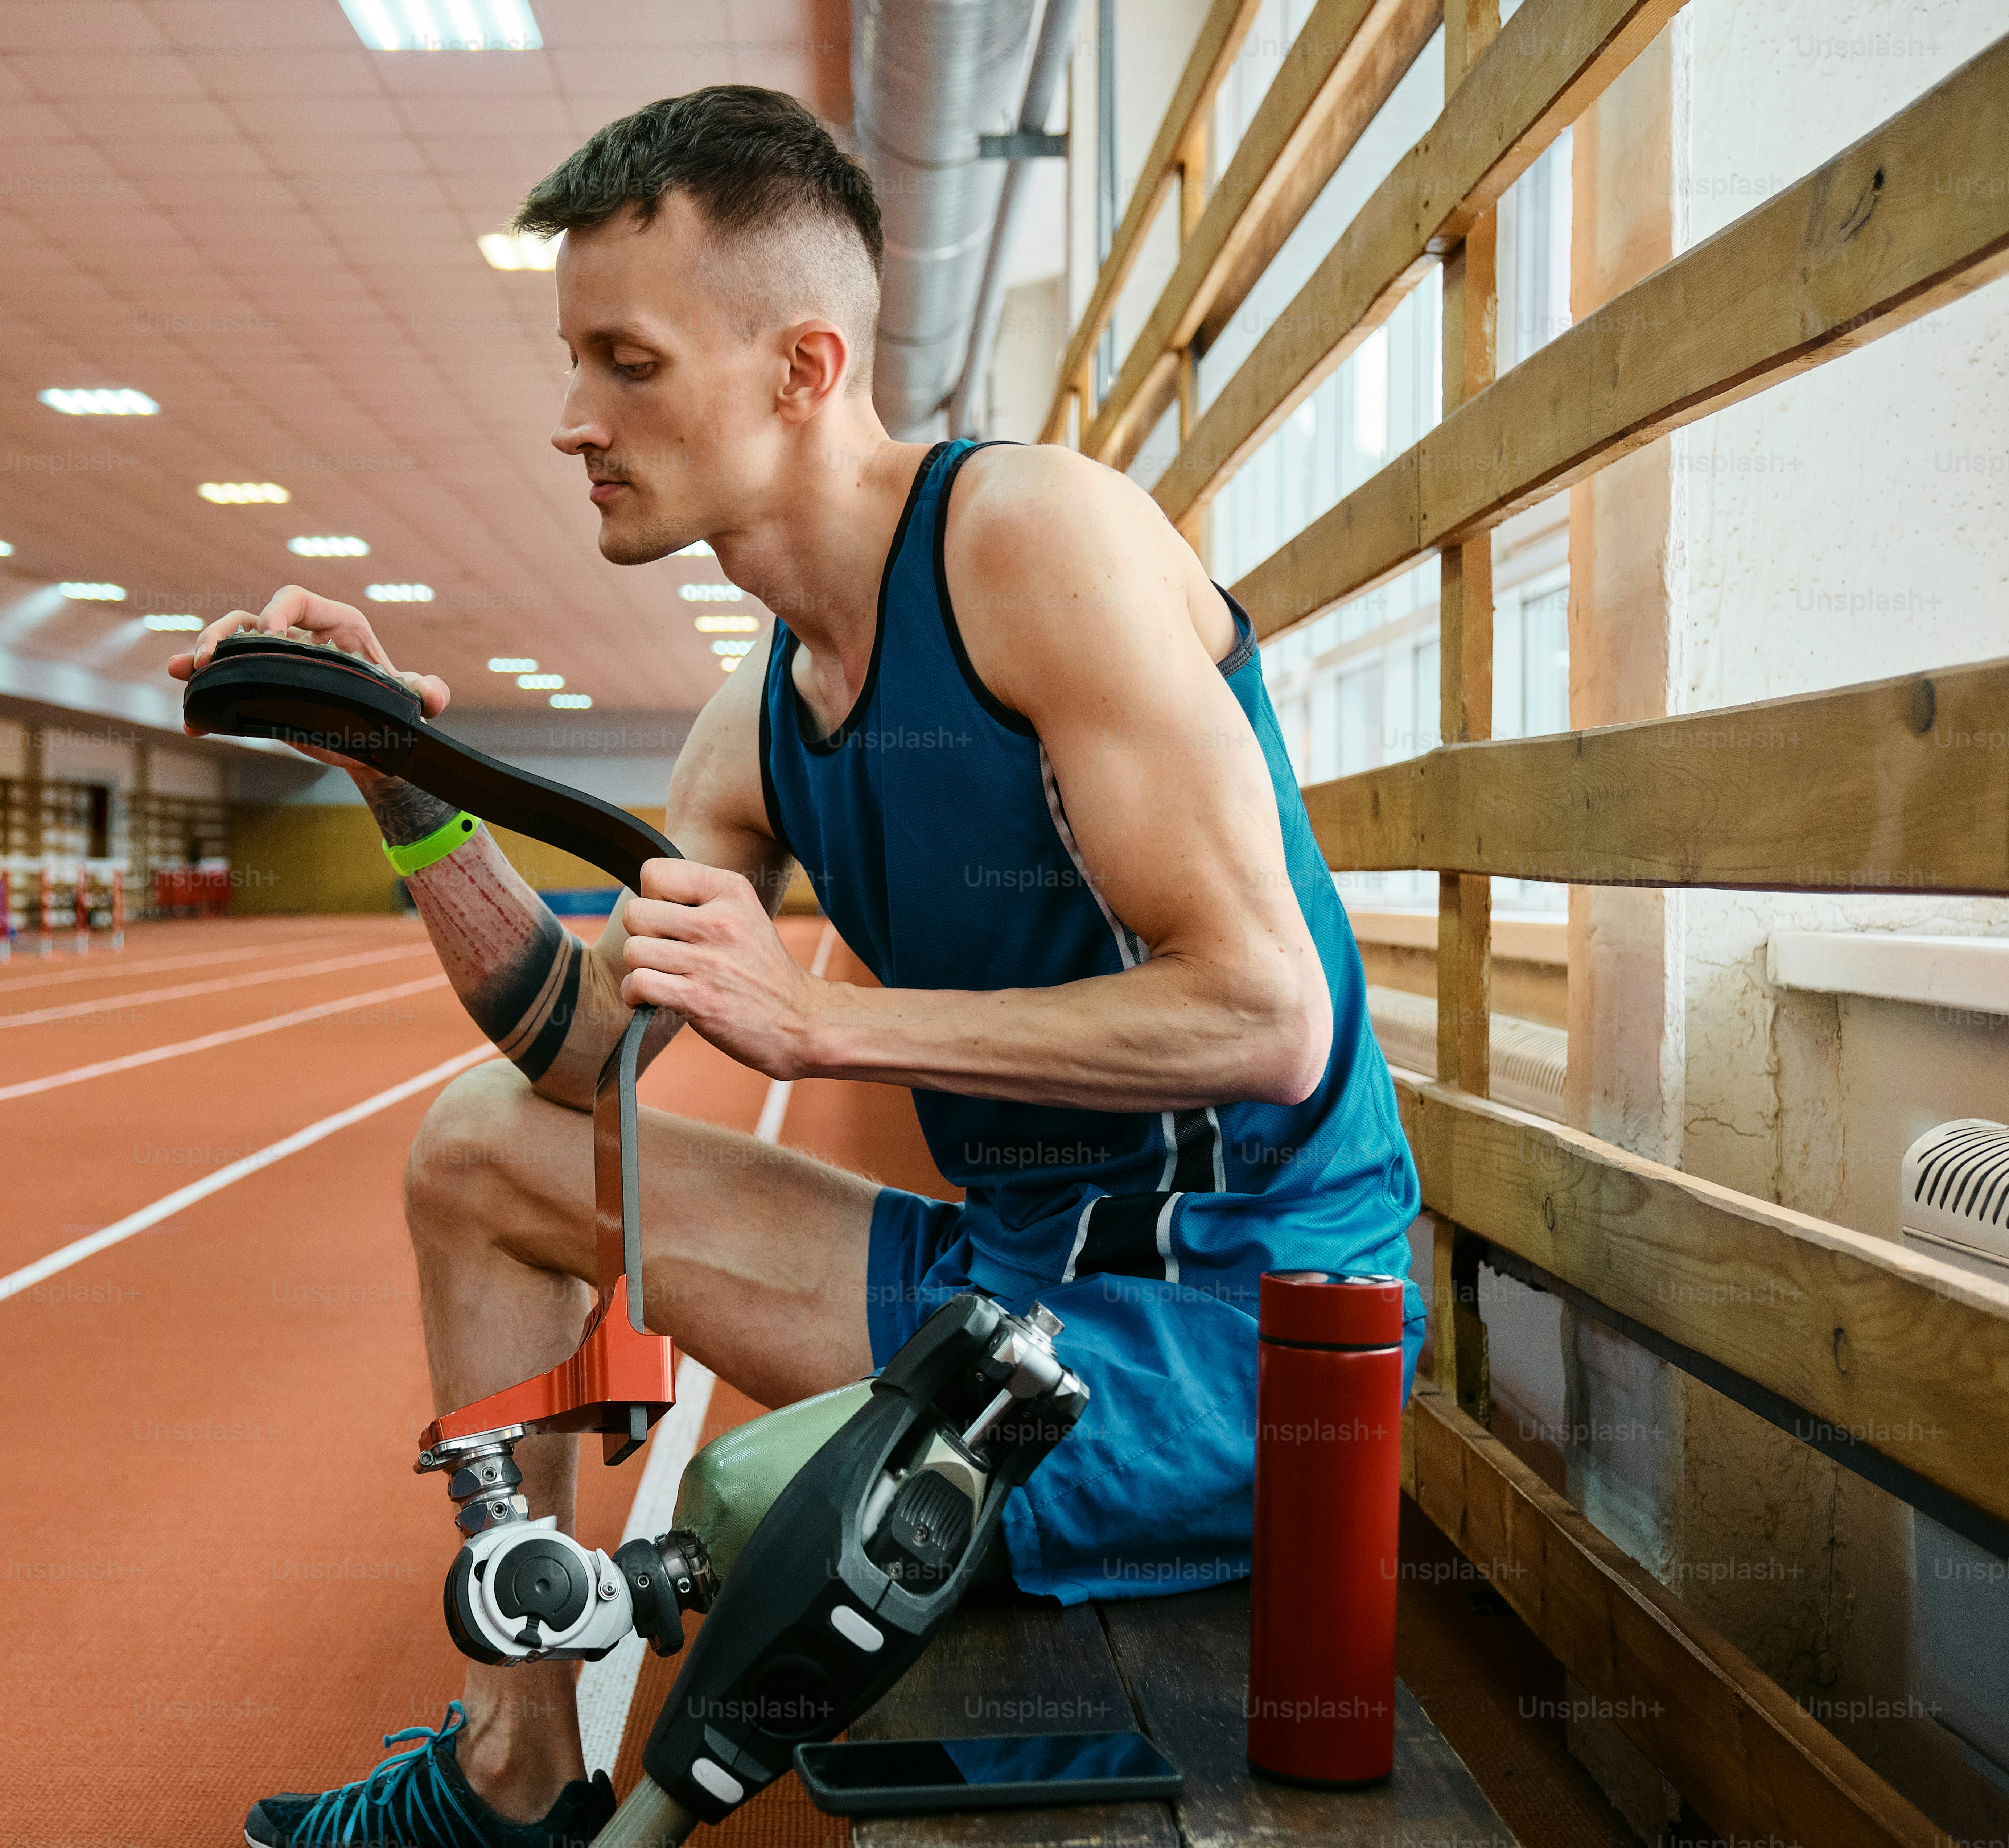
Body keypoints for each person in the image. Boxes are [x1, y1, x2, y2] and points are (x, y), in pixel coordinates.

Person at [173, 84, 1424, 1848]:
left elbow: (1269, 1015)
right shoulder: (754, 720)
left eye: (627, 362)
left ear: (804, 368)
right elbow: (579, 1055)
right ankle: (513, 1771)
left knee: (763, 1521)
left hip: (1232, 1329)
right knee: (476, 1148)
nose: (571, 419)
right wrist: (405, 794)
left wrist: (823, 1020)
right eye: (574, 363)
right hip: (993, 1286)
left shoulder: (1031, 541)